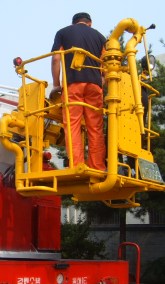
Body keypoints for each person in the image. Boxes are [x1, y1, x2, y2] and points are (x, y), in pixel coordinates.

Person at [51, 12, 106, 171]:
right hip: (95, 86)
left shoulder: (63, 32)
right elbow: (108, 66)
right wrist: (101, 81)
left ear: (73, 23)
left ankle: (77, 165)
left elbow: (56, 59)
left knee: (73, 125)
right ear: (90, 23)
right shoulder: (100, 37)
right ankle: (98, 166)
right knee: (95, 127)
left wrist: (56, 85)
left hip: (72, 84)